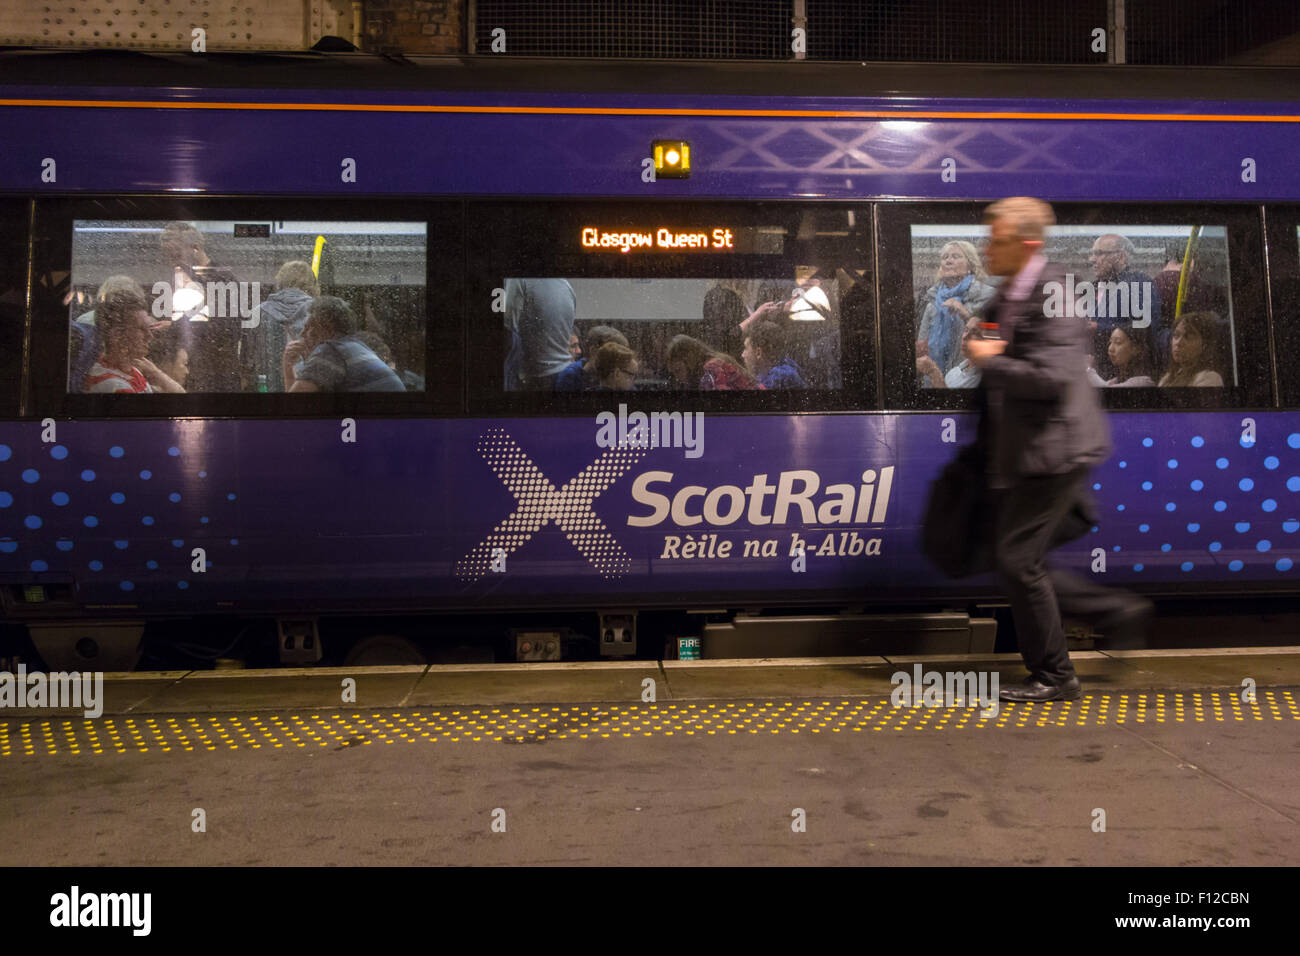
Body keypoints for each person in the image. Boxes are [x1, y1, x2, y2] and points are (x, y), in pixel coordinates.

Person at [964, 197, 1151, 703]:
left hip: (1055, 450)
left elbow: (1052, 379)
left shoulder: (1055, 293)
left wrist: (991, 360)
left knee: (1018, 559)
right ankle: (1112, 612)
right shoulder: (1012, 291)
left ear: (1026, 244)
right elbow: (1000, 344)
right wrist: (981, 339)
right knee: (1018, 556)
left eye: (995, 239)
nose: (986, 247)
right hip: (1027, 451)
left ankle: (1055, 674)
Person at [282, 296, 405, 393]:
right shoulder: (357, 347)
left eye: (308, 327)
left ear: (326, 328)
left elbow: (293, 406)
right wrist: (290, 366)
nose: (302, 334)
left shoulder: (331, 351)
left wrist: (287, 367)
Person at [915, 241, 998, 377]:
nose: (949, 261)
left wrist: (965, 314)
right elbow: (922, 346)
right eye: (945, 257)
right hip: (935, 380)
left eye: (956, 256)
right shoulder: (932, 301)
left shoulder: (988, 295)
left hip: (971, 378)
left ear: (970, 265)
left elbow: (993, 343)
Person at [1086, 233, 1160, 380]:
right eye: (1092, 254)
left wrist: (1098, 328)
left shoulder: (1137, 283)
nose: (1092, 259)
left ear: (1122, 257)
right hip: (1102, 372)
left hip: (1128, 376)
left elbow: (1145, 329)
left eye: (1099, 253)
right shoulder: (1098, 287)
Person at [84, 288, 184, 393]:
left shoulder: (131, 369)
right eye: (141, 329)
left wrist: (155, 373)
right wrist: (157, 374)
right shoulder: (114, 386)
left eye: (149, 329)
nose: (150, 336)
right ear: (117, 336)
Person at [240, 260, 317, 392]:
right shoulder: (318, 312)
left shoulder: (258, 313)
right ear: (311, 284)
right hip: (308, 390)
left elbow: (247, 361)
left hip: (268, 392)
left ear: (280, 282)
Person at [504, 278, 576, 390]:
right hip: (564, 373)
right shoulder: (566, 285)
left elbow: (508, 330)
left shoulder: (518, 280)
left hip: (534, 379)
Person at [666, 334, 763, 390]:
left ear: (689, 359)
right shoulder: (715, 363)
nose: (677, 378)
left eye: (678, 370)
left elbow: (719, 403)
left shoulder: (712, 367)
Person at [1159, 312, 1225, 387]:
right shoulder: (1167, 378)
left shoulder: (1209, 378)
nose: (1178, 343)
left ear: (1204, 345)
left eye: (1189, 337)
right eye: (1176, 335)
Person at [917, 315, 984, 389]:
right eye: (966, 330)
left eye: (974, 333)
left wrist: (933, 372)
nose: (965, 336)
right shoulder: (956, 370)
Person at [554, 325, 627, 391]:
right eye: (614, 356)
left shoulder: (614, 374)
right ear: (594, 351)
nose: (618, 363)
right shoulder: (570, 376)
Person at [1087, 325, 1157, 387]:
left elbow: (1107, 391)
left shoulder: (1144, 382)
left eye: (1118, 342)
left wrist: (1088, 369)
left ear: (1136, 349)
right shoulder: (1116, 380)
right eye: (1110, 342)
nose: (1110, 348)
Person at [742, 321, 806, 389]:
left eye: (745, 348)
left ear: (758, 353)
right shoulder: (785, 368)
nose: (743, 355)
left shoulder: (780, 377)